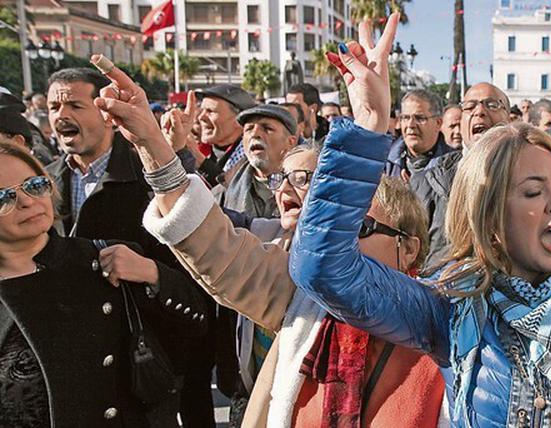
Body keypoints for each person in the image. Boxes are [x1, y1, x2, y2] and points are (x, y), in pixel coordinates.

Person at [289, 13, 551, 427]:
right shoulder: (450, 305)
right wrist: (367, 125)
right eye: (533, 191)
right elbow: (321, 268)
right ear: (490, 214)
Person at [137, 135, 446, 427]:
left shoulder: (445, 326)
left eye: (360, 228)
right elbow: (215, 248)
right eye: (334, 230)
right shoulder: (305, 296)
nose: (340, 243)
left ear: (408, 248)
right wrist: (149, 139)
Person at [44, 67, 214, 426]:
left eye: (75, 105)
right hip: (66, 373)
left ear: (107, 114)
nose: (62, 116)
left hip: (140, 373)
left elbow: (197, 284)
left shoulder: (151, 178)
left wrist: (150, 273)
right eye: (54, 107)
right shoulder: (40, 184)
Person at [0, 141, 206, 426]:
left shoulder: (104, 258)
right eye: (4, 197)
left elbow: (195, 328)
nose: (27, 202)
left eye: (34, 185)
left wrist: (154, 275)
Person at [409, 0, 551, 268]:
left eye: (492, 104)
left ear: (510, 119)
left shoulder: (538, 160)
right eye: (469, 106)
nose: (479, 112)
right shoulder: (429, 182)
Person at [218, 104, 298, 219]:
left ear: (290, 142)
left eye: (267, 128)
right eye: (249, 129)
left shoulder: (305, 187)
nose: (255, 134)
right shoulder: (224, 190)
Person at [384, 89, 455, 181]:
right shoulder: (386, 163)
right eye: (405, 118)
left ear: (438, 123)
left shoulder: (454, 166)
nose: (411, 125)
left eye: (419, 118)